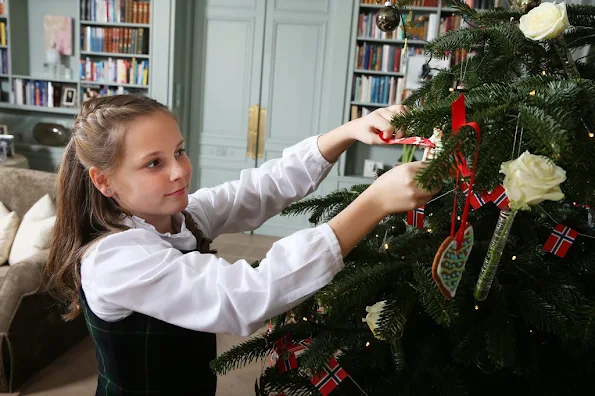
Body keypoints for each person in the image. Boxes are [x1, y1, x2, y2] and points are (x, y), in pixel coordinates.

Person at [43, 95, 437, 395]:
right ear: (103, 181)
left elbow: (260, 189)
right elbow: (248, 296)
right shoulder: (115, 259)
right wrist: (373, 204)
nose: (179, 171)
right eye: (153, 163)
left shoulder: (178, 217)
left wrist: (348, 132)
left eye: (179, 151)